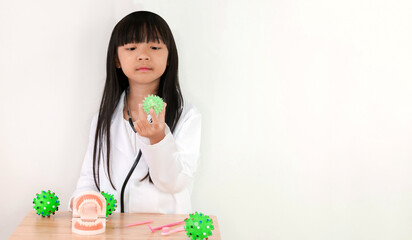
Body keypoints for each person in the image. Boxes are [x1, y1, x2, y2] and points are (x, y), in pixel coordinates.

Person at [69, 11, 201, 214]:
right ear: (117, 60)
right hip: (113, 231)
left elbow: (174, 183)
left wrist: (158, 139)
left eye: (155, 47)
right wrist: (85, 203)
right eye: (131, 48)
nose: (143, 55)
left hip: (164, 231)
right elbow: (89, 180)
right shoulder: (103, 119)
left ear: (169, 58)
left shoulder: (187, 116)